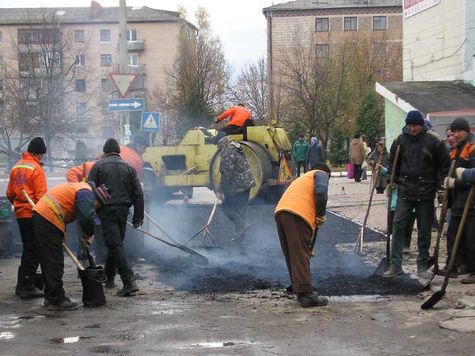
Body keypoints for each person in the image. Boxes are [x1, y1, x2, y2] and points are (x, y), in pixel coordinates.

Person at [383, 110, 450, 279]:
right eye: (410, 125)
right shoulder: (400, 140)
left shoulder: (433, 140)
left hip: (426, 191)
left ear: (421, 125)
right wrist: (391, 180)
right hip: (405, 190)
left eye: (416, 125)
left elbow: (445, 164)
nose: (413, 128)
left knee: (424, 230)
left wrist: (442, 185)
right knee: (398, 226)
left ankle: (422, 265)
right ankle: (395, 265)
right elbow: (393, 162)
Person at [33, 181, 111, 311]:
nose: (95, 210)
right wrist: (89, 234)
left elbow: (65, 209)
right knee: (54, 262)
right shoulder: (86, 193)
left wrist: (61, 231)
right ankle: (56, 300)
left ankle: (51, 297)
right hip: (47, 217)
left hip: (45, 216)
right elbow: (86, 218)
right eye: (97, 207)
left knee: (49, 260)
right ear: (97, 200)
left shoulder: (82, 189)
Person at [88, 138, 144, 296]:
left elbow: (89, 190)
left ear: (105, 152)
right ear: (118, 152)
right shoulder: (129, 168)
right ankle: (110, 278)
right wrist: (138, 217)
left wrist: (90, 212)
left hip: (107, 212)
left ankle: (129, 282)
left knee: (116, 245)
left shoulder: (98, 166)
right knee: (115, 244)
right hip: (124, 212)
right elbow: (138, 194)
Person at [274, 162, 330, 308]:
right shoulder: (320, 173)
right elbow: (321, 191)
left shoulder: (303, 178)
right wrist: (321, 213)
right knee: (300, 253)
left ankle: (297, 284)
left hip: (281, 212)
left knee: (292, 252)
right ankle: (306, 294)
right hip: (297, 214)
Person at [6, 137, 47, 299]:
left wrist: (18, 204)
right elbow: (41, 196)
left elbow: (10, 193)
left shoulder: (17, 166)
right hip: (33, 213)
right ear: (40, 153)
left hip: (21, 214)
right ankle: (27, 286)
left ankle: (22, 284)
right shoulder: (36, 168)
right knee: (34, 250)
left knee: (28, 248)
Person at [442, 118, 474, 282]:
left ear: (467, 131)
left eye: (459, 131)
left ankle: (473, 270)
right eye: (454, 132)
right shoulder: (455, 150)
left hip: (471, 200)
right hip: (457, 200)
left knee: (471, 237)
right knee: (453, 234)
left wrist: (456, 182)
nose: (456, 135)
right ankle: (453, 265)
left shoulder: (472, 148)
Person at [217, 135, 256, 240]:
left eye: (219, 146)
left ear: (222, 144)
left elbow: (226, 174)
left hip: (238, 185)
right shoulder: (237, 149)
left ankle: (242, 226)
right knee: (240, 211)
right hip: (247, 183)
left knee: (226, 207)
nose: (218, 149)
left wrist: (221, 191)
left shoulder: (228, 153)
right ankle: (240, 236)